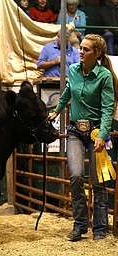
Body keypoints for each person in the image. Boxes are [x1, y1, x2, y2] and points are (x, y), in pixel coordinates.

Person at [49, 34, 118, 241]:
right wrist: (57, 111)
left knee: (99, 181)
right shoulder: (73, 70)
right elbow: (68, 91)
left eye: (86, 50)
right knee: (76, 176)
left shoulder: (104, 76)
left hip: (96, 131)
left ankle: (100, 228)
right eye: (81, 48)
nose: (81, 52)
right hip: (75, 132)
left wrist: (103, 135)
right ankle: (80, 225)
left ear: (97, 54)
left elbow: (108, 108)